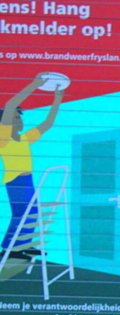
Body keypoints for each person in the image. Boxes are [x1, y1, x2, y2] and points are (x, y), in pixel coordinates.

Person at [1, 73, 64, 255]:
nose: (19, 120)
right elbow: (10, 105)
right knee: (21, 214)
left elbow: (47, 124)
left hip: (28, 180)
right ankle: (8, 248)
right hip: (15, 181)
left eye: (19, 117)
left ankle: (23, 244)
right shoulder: (3, 138)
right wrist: (34, 84)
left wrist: (57, 99)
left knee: (31, 214)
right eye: (14, 118)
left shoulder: (24, 139)